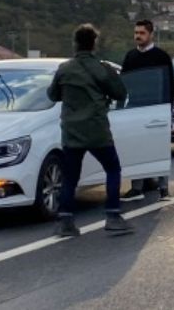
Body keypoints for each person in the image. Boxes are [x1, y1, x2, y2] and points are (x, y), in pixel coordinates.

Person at [48, 24, 132, 238]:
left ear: (75, 44)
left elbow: (52, 95)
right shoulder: (102, 68)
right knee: (112, 169)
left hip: (72, 131)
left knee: (70, 176)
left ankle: (65, 221)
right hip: (97, 129)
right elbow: (120, 93)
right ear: (94, 44)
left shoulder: (64, 69)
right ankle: (113, 215)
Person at [121, 19, 174, 202]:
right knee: (136, 148)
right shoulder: (130, 57)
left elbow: (170, 85)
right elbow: (123, 84)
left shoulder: (161, 57)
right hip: (136, 109)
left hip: (157, 109)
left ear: (150, 34)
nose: (138, 36)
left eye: (142, 33)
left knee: (159, 148)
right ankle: (137, 189)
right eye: (136, 33)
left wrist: (169, 109)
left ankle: (163, 188)